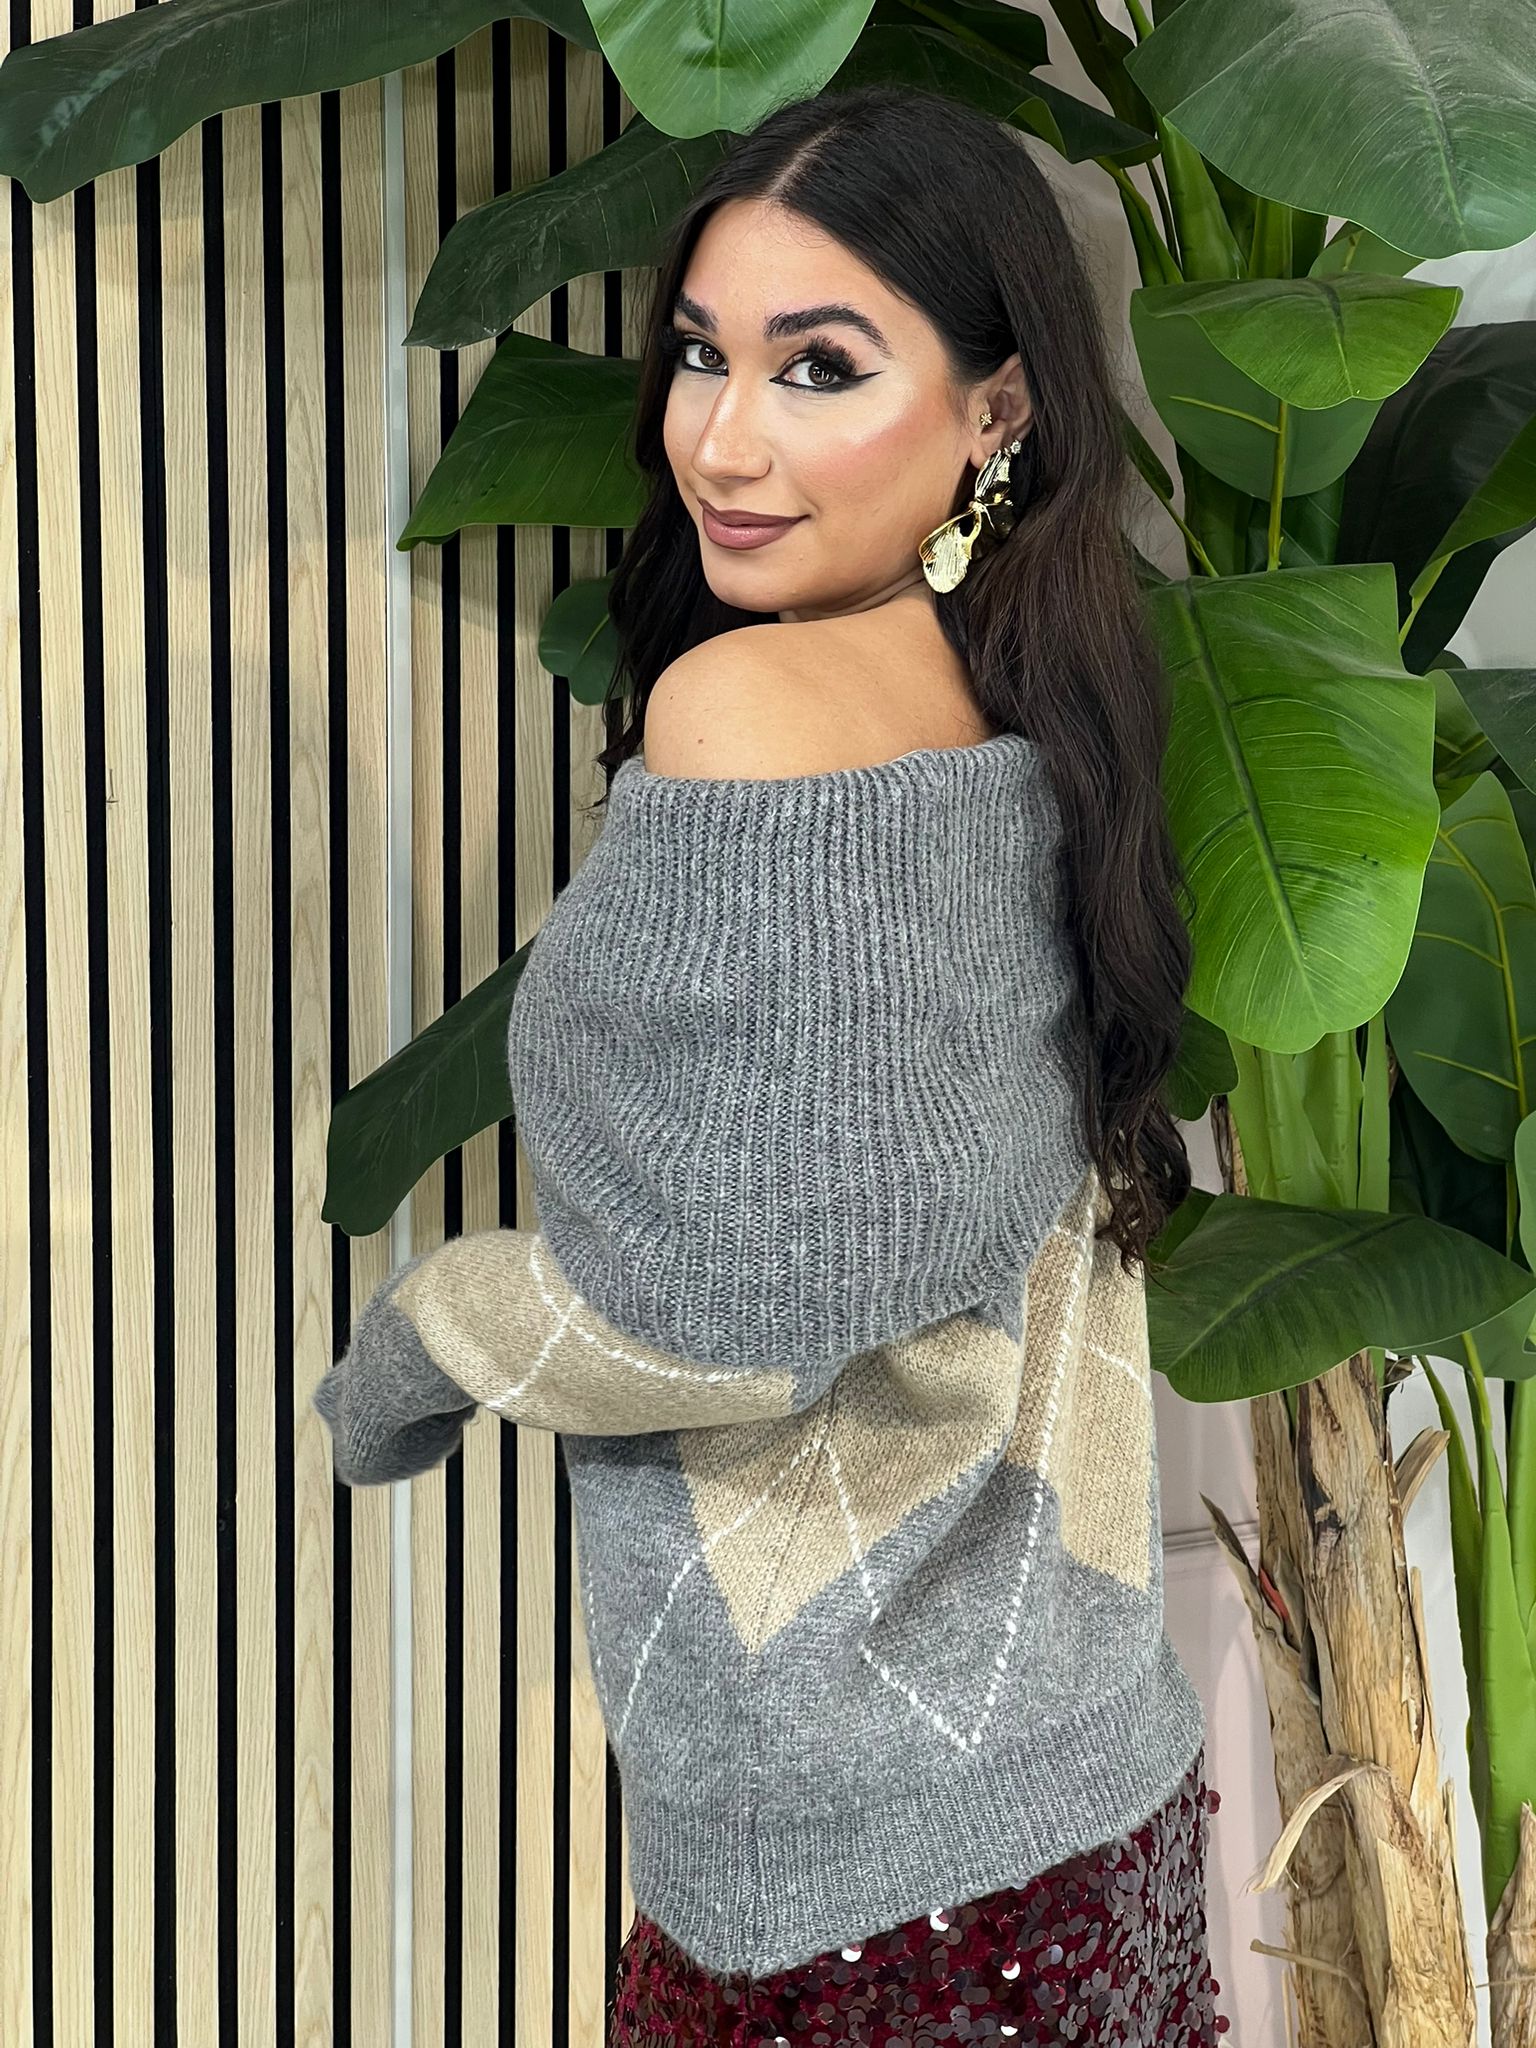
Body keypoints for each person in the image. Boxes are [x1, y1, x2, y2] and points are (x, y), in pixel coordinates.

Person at [314, 82, 1226, 2048]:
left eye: (821, 367)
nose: (720, 438)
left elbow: (729, 1310)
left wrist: (424, 1339)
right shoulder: (1044, 696)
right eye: (702, 354)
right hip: (1090, 1782)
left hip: (852, 1863)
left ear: (996, 407)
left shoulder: (749, 706)